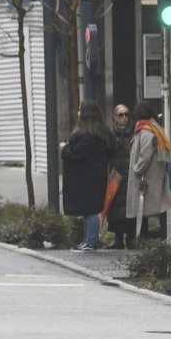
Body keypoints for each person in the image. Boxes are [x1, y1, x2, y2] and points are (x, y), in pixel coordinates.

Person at [60, 102, 115, 252]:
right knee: (91, 209)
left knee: (89, 211)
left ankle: (91, 241)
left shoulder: (85, 135)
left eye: (80, 110)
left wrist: (65, 149)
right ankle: (88, 239)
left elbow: (75, 154)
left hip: (83, 179)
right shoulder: (102, 133)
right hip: (97, 176)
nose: (77, 113)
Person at [127, 103, 171, 240]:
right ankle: (153, 241)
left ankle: (152, 242)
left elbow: (145, 155)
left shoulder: (146, 132)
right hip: (152, 177)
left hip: (146, 178)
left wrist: (137, 168)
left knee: (149, 211)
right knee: (151, 210)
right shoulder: (154, 129)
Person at [106, 104, 136, 249]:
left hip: (131, 174)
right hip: (116, 175)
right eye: (121, 115)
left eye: (126, 114)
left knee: (130, 208)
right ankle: (118, 239)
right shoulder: (110, 133)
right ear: (115, 117)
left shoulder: (135, 132)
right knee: (115, 207)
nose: (124, 117)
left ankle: (131, 238)